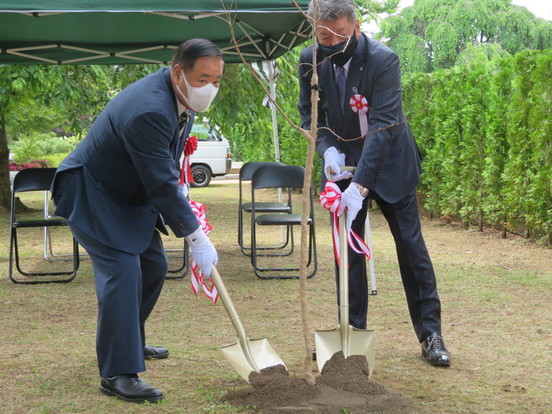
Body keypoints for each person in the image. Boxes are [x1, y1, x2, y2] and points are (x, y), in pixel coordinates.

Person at [51, 39, 224, 403]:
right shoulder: (150, 109)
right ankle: (117, 372)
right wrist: (196, 237)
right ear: (179, 73)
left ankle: (129, 340)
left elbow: (163, 166)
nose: (211, 88)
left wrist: (182, 196)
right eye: (204, 78)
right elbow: (159, 182)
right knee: (123, 272)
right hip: (92, 194)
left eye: (217, 80)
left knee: (153, 264)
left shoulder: (181, 99)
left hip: (124, 196)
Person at [298, 0, 451, 367]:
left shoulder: (383, 59)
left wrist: (360, 185)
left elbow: (383, 125)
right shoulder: (309, 60)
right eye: (323, 36)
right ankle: (350, 334)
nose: (332, 43)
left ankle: (431, 334)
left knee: (411, 250)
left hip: (391, 164)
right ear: (314, 31)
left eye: (339, 35)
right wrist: (327, 151)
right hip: (342, 168)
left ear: (357, 26)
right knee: (346, 253)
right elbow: (310, 115)